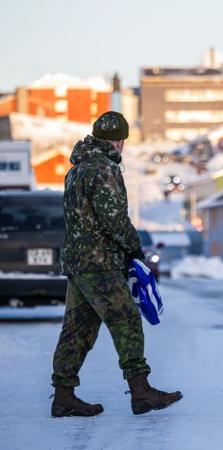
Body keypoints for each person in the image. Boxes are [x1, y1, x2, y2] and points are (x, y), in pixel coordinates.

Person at [51, 111, 182, 417]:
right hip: (100, 262)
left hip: (78, 261)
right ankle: (141, 391)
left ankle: (63, 395)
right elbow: (113, 219)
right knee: (126, 320)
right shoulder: (103, 169)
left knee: (77, 329)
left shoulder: (77, 169)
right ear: (119, 141)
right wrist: (134, 248)